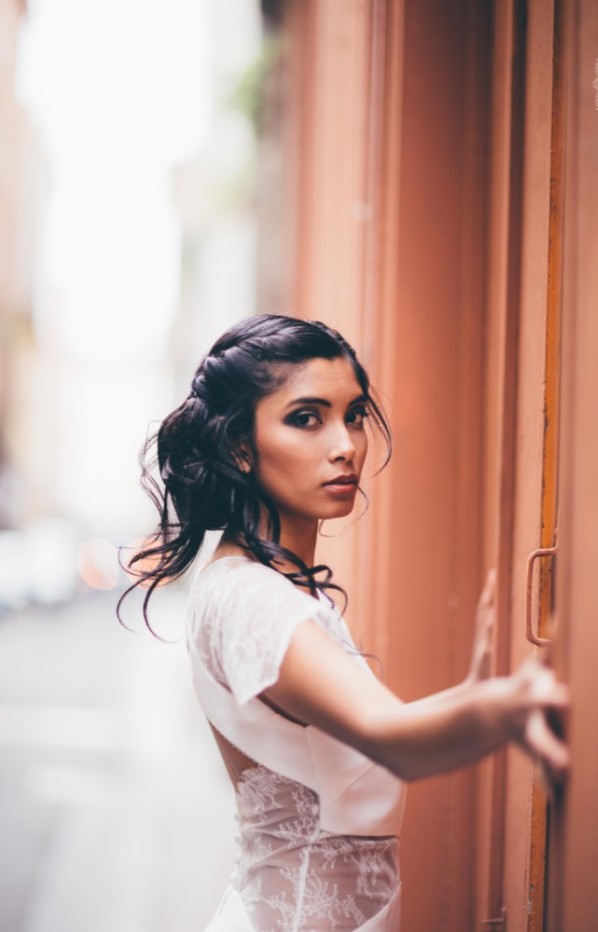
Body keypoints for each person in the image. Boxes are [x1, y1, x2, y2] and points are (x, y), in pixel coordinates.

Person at [119, 314, 570, 932]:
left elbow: (361, 748)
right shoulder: (252, 598)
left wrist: (473, 693)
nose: (346, 444)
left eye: (354, 414)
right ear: (240, 446)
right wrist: (508, 705)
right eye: (307, 418)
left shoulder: (257, 582)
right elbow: (389, 738)